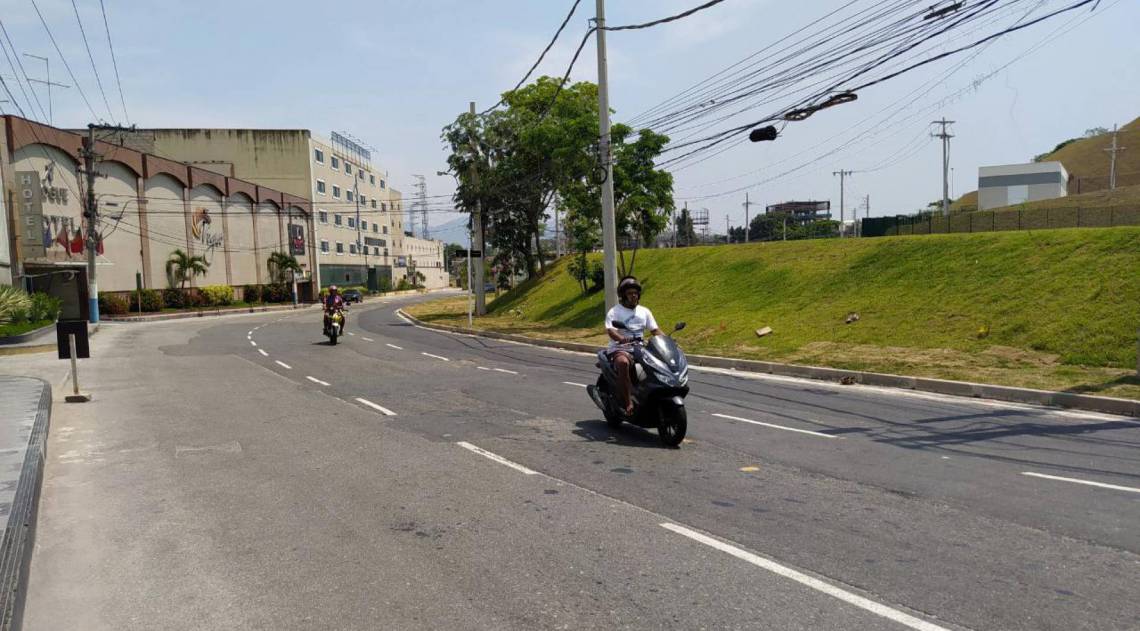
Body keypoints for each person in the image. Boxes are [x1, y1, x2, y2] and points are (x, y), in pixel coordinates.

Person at [605, 276, 664, 417]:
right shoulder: (615, 311)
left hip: (640, 348)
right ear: (623, 295)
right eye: (630, 293)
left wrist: (668, 340)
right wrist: (621, 339)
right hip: (620, 349)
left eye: (635, 293)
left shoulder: (644, 311)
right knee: (623, 363)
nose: (633, 296)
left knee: (657, 365)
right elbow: (611, 330)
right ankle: (628, 402)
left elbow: (655, 330)